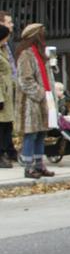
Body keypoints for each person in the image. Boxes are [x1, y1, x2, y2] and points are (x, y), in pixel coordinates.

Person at [14, 23, 56, 179]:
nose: (44, 36)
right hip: (31, 101)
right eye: (41, 33)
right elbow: (25, 80)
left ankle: (39, 165)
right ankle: (28, 166)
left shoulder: (40, 53)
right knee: (30, 134)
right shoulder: (26, 54)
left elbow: (46, 75)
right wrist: (40, 94)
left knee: (41, 132)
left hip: (45, 97)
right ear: (35, 36)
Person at [0, 11, 18, 164]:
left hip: (10, 88)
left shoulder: (8, 44)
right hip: (2, 92)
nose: (12, 25)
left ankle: (9, 150)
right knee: (3, 123)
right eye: (9, 22)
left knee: (8, 123)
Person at [0, 25, 14, 168]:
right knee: (2, 127)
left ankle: (7, 152)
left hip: (7, 92)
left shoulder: (4, 50)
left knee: (7, 126)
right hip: (1, 96)